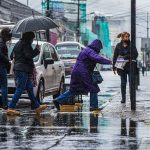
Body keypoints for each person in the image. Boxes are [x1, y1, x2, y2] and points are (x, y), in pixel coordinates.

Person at [53, 39, 112, 111]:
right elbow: (97, 58)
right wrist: (109, 62)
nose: (99, 50)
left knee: (74, 89)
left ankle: (58, 100)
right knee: (93, 88)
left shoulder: (86, 50)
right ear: (97, 46)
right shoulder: (90, 51)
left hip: (76, 71)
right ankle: (93, 107)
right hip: (83, 72)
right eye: (99, 48)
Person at [7, 32, 47, 115]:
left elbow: (11, 56)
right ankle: (11, 107)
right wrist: (36, 50)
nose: (32, 40)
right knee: (20, 88)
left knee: (29, 88)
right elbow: (28, 55)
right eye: (32, 38)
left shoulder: (18, 43)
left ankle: (36, 106)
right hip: (23, 69)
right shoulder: (26, 44)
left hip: (20, 68)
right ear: (30, 38)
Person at [113, 32, 138, 103]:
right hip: (122, 67)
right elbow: (115, 56)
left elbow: (136, 54)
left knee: (131, 83)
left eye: (128, 37)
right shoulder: (118, 46)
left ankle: (132, 98)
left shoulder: (132, 45)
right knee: (123, 83)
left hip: (130, 66)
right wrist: (114, 67)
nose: (127, 38)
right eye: (126, 37)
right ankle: (123, 98)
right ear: (122, 37)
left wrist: (127, 57)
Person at [0, 27, 12, 109]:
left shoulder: (2, 42)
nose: (9, 37)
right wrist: (7, 60)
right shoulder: (1, 42)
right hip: (1, 66)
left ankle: (2, 103)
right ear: (4, 34)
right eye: (9, 35)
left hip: (2, 66)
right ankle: (5, 104)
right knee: (4, 86)